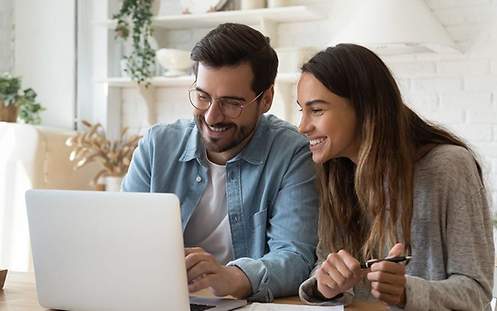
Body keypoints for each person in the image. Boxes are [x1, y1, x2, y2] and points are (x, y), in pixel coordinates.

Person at [122, 23, 319, 302]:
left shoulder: (291, 154)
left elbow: (295, 257)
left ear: (266, 99)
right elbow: (122, 238)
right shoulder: (156, 146)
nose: (212, 116)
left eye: (231, 103)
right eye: (203, 97)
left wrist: (234, 278)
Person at [296, 44, 494, 310]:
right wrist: (325, 286)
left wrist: (406, 292)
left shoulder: (448, 166)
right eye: (302, 110)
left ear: (364, 108)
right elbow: (325, 265)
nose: (303, 126)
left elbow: (477, 293)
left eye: (317, 110)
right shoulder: (336, 173)